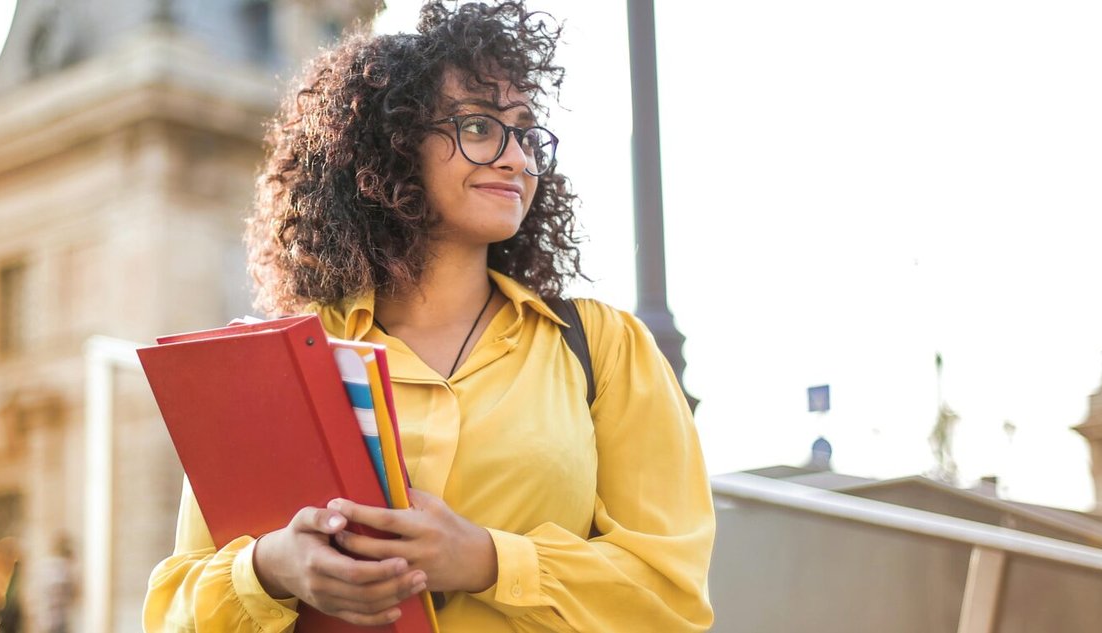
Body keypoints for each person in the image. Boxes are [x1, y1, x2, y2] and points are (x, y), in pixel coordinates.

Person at [144, 2, 714, 631]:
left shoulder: (604, 349)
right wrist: (271, 570)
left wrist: (488, 561)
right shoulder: (276, 364)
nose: (516, 159)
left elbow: (672, 598)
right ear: (393, 143)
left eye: (525, 132)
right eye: (478, 127)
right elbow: (173, 610)